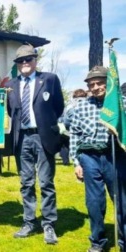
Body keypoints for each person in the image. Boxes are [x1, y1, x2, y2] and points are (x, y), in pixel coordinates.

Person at [5, 44, 64, 244]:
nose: (24, 63)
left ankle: (48, 224)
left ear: (35, 60)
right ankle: (29, 222)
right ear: (17, 64)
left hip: (43, 136)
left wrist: (46, 125)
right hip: (22, 138)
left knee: (46, 182)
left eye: (28, 59)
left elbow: (59, 106)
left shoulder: (49, 79)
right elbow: (9, 111)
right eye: (20, 61)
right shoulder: (10, 85)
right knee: (26, 183)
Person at [69, 66, 126, 252]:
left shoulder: (120, 104)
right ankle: (97, 241)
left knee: (121, 200)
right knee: (94, 202)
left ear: (108, 84)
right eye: (91, 84)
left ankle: (124, 240)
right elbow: (75, 134)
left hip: (114, 156)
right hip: (89, 157)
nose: (95, 87)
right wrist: (76, 162)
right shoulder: (82, 105)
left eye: (100, 83)